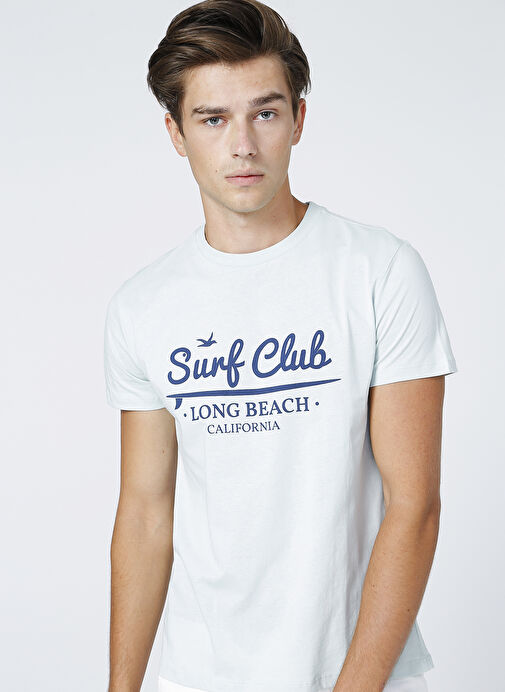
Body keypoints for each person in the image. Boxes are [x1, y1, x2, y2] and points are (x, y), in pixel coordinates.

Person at [103, 1, 458, 691]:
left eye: (264, 113)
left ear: (298, 119)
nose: (242, 144)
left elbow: (414, 505)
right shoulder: (143, 306)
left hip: (352, 674)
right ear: (176, 133)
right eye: (213, 119)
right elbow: (145, 513)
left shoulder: (378, 271)